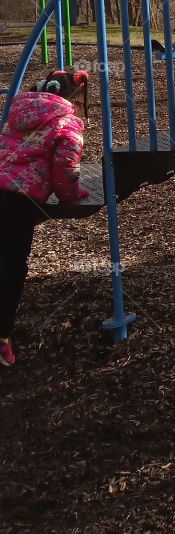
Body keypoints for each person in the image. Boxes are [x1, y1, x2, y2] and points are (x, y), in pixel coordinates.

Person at [0, 69, 90, 366]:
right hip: (17, 200)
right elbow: (66, 169)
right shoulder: (68, 123)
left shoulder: (17, 112)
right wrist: (72, 196)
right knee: (10, 266)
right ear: (73, 100)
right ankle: (1, 339)